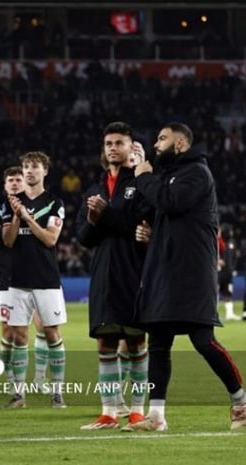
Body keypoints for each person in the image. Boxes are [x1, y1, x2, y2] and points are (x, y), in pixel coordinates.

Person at [123, 122, 246, 432]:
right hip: (164, 270)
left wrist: (144, 176)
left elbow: (171, 202)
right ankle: (157, 416)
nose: (156, 144)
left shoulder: (196, 172)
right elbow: (149, 207)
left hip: (192, 272)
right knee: (159, 344)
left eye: (162, 138)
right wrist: (147, 226)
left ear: (180, 143)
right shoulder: (167, 176)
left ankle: (241, 403)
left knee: (203, 340)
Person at [75, 122, 151, 430]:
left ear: (132, 147)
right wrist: (94, 221)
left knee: (136, 342)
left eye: (119, 142)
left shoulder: (143, 183)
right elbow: (83, 237)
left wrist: (104, 215)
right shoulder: (94, 188)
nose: (112, 148)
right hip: (104, 273)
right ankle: (109, 412)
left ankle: (136, 410)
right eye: (108, 143)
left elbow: (139, 226)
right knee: (105, 344)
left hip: (134, 271)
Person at [1, 151, 67, 409]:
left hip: (46, 277)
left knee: (51, 333)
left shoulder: (54, 203)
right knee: (19, 335)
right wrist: (17, 216)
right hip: (18, 278)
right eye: (26, 166)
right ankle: (19, 396)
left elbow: (51, 239)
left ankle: (57, 393)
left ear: (45, 172)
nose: (29, 171)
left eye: (35, 167)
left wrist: (27, 217)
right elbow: (7, 241)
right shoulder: (11, 203)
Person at [0, 167, 49, 395]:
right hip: (9, 277)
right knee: (10, 333)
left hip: (39, 275)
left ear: (25, 183)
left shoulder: (42, 207)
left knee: (43, 327)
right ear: (5, 186)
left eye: (18, 180)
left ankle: (40, 378)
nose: (14, 183)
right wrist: (15, 216)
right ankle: (10, 379)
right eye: (10, 180)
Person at [218, 224, 238, 321]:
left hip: (228, 273)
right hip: (219, 272)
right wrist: (217, 261)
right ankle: (213, 314)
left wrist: (233, 267)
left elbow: (235, 257)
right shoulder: (217, 241)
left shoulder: (232, 242)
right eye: (230, 231)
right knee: (215, 292)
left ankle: (229, 314)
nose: (232, 233)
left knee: (228, 293)